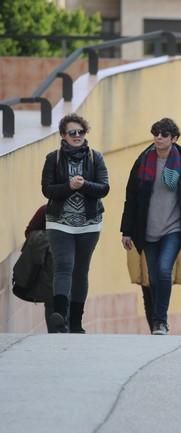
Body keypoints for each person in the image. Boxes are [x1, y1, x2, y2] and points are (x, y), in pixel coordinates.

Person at [120, 117, 181, 336]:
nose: (158, 137)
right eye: (156, 133)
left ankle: (160, 322)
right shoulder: (143, 161)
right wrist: (126, 230)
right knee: (154, 277)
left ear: (174, 139)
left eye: (164, 134)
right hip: (146, 230)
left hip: (173, 229)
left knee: (164, 270)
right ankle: (157, 320)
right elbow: (130, 197)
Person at [41, 113, 109, 333]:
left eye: (81, 132)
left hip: (89, 224)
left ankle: (77, 323)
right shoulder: (54, 158)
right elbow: (47, 190)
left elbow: (104, 188)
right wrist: (69, 186)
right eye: (73, 133)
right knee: (63, 266)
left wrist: (84, 185)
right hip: (59, 223)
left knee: (81, 271)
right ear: (63, 135)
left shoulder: (95, 157)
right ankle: (60, 318)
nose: (77, 136)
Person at [126, 248, 181, 332]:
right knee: (148, 289)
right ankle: (155, 327)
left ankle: (160, 323)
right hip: (146, 242)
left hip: (167, 239)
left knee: (163, 275)